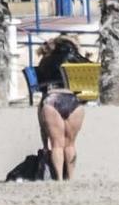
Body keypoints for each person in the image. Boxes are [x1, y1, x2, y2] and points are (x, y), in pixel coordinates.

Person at [35, 37, 87, 181]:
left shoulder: (45, 61)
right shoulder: (73, 58)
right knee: (70, 145)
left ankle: (58, 178)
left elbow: (41, 84)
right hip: (73, 100)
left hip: (52, 98)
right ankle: (70, 177)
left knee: (57, 144)